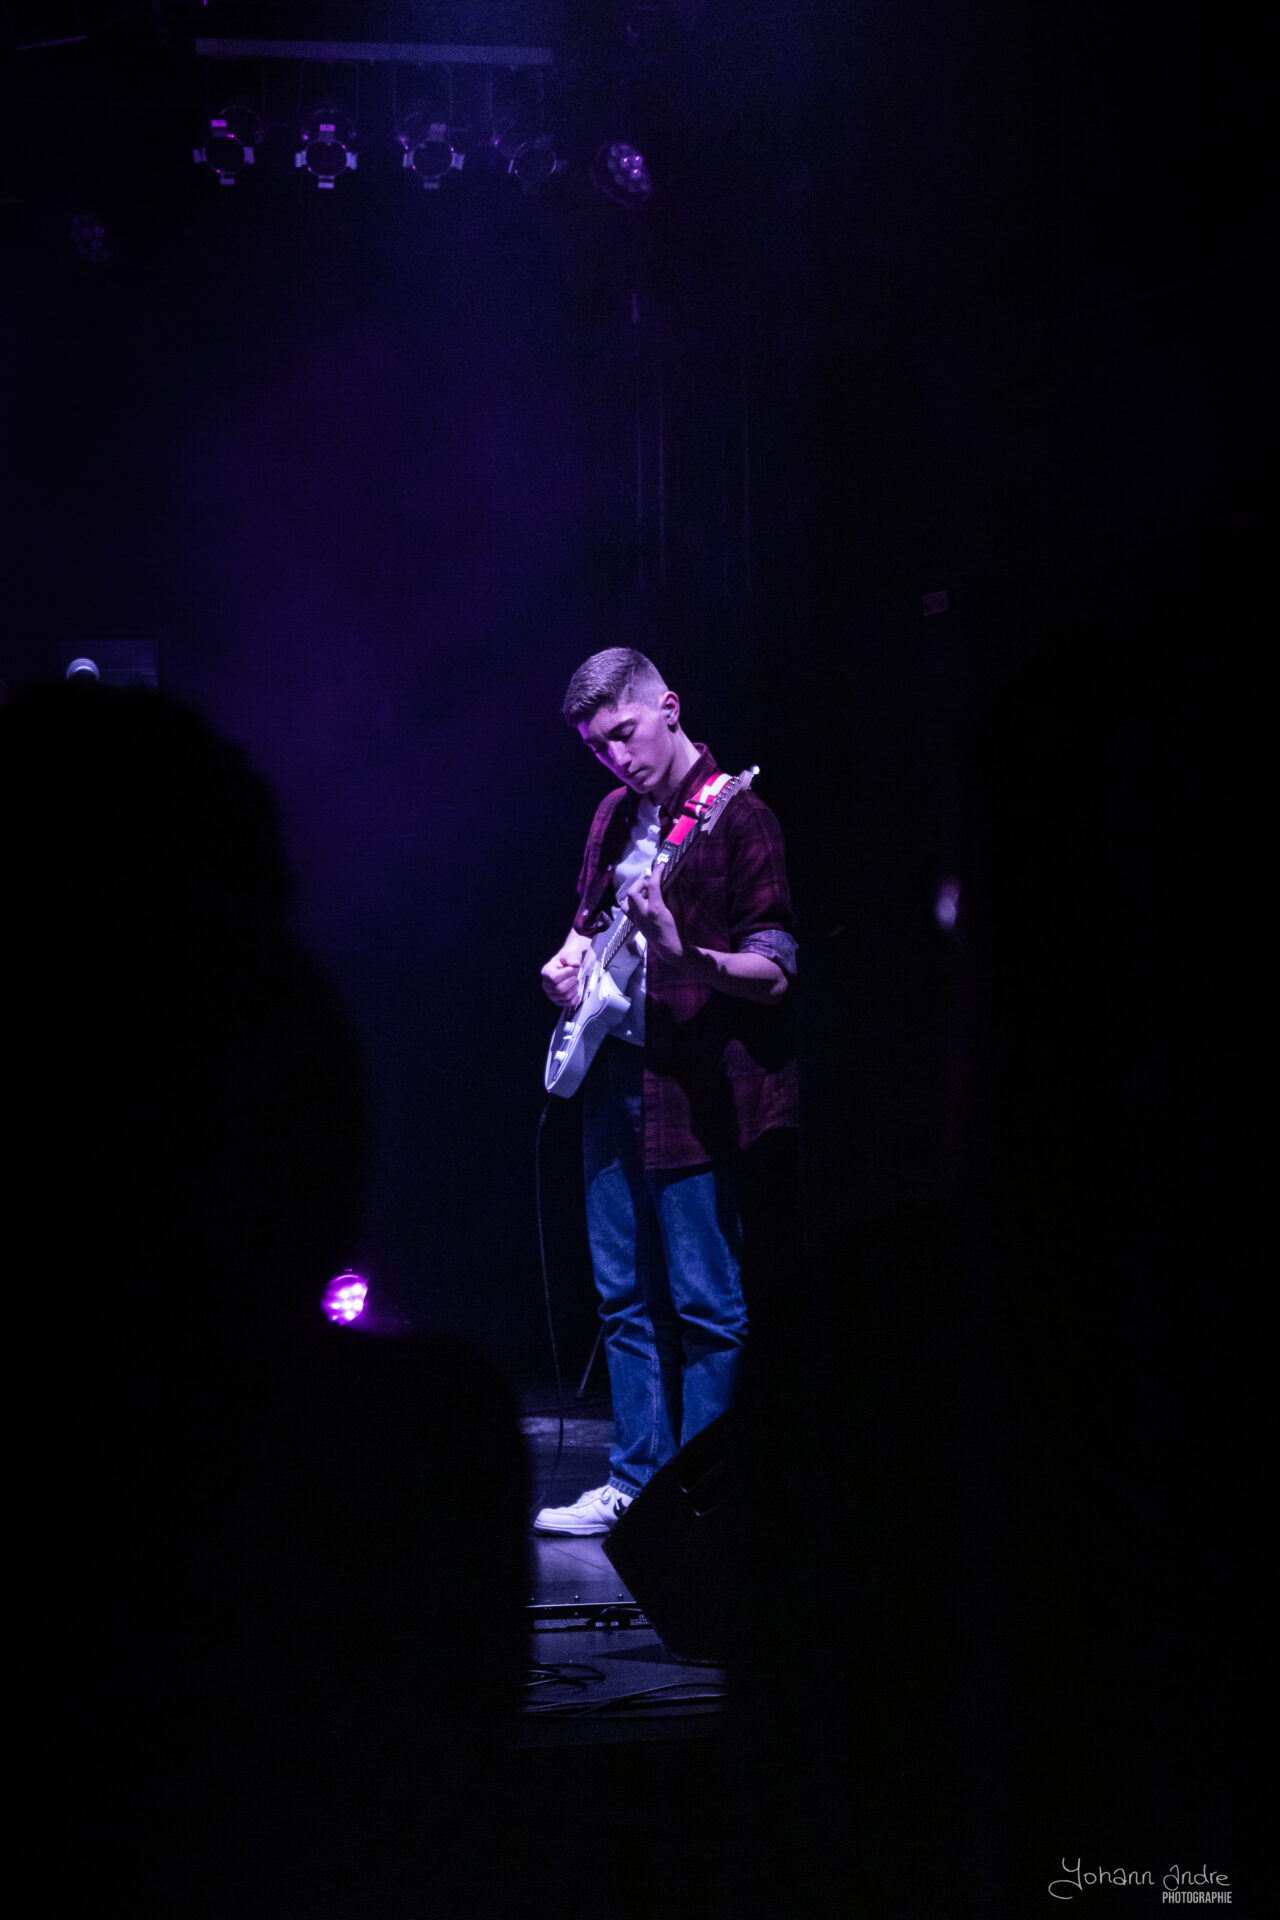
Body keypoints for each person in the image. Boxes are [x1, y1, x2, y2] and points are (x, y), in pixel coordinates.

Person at [535, 648, 799, 1534]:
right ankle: (636, 1484)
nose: (617, 758)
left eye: (625, 733)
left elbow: (776, 972)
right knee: (621, 1297)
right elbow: (587, 928)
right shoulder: (613, 815)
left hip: (697, 1086)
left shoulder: (739, 816)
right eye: (597, 747)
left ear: (669, 708)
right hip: (615, 1070)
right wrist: (565, 967)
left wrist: (688, 956)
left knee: (706, 1305)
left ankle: (703, 1503)